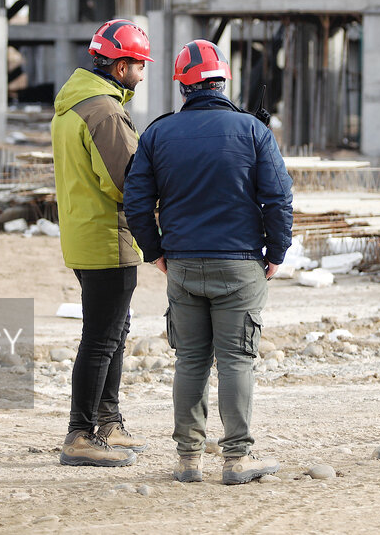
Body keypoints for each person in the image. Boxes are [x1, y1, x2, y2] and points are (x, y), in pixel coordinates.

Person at [125, 39, 293, 485]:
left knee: (191, 360)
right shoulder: (253, 131)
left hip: (182, 264)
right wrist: (276, 253)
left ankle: (188, 460)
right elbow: (278, 198)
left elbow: (137, 203)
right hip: (239, 264)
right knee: (237, 359)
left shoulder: (157, 133)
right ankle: (236, 461)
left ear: (182, 85)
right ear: (223, 81)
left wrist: (155, 251)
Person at [50, 18, 154, 467]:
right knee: (101, 337)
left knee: (113, 331)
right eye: (137, 64)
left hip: (85, 232)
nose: (142, 73)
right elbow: (125, 181)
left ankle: (108, 422)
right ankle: (80, 434)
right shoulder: (105, 112)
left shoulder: (76, 103)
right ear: (118, 65)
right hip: (106, 236)